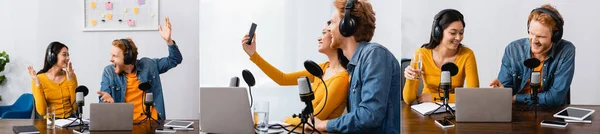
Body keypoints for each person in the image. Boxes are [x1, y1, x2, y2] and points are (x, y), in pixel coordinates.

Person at [308, 0, 400, 133]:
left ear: (347, 26)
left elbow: (370, 116)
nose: (329, 29)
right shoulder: (354, 66)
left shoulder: (375, 55)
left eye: (333, 22)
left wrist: (325, 124)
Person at [241, 21, 350, 126]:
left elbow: (313, 120)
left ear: (335, 37)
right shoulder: (322, 68)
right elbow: (283, 79)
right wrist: (253, 55)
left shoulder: (341, 79)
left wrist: (287, 120)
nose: (319, 38)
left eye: (324, 33)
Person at [96, 17, 183, 120]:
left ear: (128, 58)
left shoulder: (149, 65)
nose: (110, 59)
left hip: (152, 124)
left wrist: (169, 41)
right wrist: (108, 103)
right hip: (126, 125)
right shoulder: (109, 72)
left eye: (114, 56)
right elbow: (103, 100)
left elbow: (175, 59)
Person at [490, 4, 575, 107]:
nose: (534, 41)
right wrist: (500, 92)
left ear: (555, 36)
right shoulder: (513, 49)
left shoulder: (566, 51)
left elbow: (555, 98)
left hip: (549, 113)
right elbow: (505, 93)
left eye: (540, 36)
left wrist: (516, 98)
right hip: (517, 113)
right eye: (531, 33)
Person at [403, 9, 479, 104]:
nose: (458, 38)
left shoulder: (467, 54)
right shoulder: (421, 54)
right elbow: (408, 100)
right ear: (438, 32)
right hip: (426, 108)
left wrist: (433, 97)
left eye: (461, 33)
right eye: (453, 33)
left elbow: (473, 95)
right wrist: (410, 78)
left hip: (454, 109)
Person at [28, 41, 78, 119]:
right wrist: (38, 85)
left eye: (68, 55)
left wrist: (71, 81)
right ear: (53, 57)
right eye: (64, 55)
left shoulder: (71, 75)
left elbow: (76, 107)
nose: (68, 58)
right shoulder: (39, 79)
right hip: (51, 122)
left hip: (70, 120)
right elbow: (42, 111)